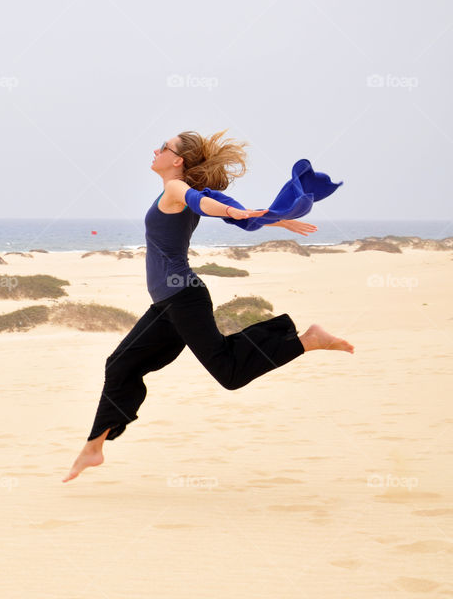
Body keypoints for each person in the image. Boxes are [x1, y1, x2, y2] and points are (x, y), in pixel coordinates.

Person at [63, 130, 354, 483]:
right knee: (120, 364)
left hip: (183, 298)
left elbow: (206, 205)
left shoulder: (176, 189)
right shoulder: (177, 191)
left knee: (229, 373)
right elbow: (212, 204)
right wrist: (268, 218)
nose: (155, 150)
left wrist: (235, 210)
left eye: (163, 147)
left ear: (177, 160)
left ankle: (308, 340)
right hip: (168, 305)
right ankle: (94, 447)